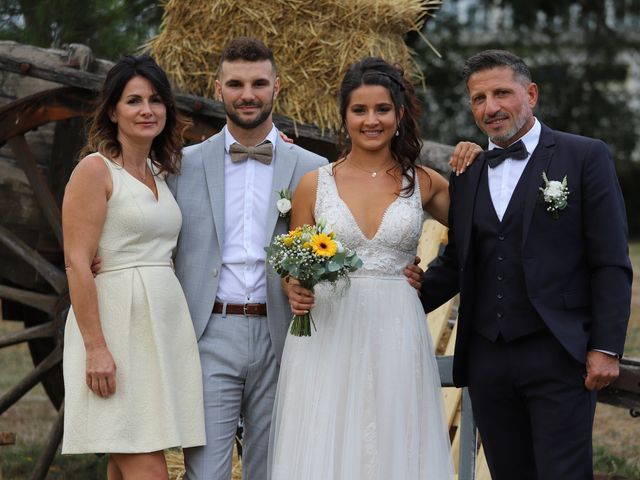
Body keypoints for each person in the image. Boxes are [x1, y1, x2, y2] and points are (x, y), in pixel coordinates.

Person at [420, 50, 632, 480]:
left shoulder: (584, 156)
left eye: (502, 93)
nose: (490, 107)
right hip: (486, 358)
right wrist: (391, 294)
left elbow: (609, 260)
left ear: (530, 94)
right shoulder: (468, 171)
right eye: (478, 98)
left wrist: (606, 348)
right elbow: (458, 260)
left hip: (558, 351)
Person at [270, 57, 461, 479]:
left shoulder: (423, 181)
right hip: (329, 333)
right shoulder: (314, 184)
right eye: (360, 110)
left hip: (397, 330)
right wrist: (293, 287)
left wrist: (478, 157)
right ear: (344, 116)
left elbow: (483, 232)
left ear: (400, 114)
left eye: (382, 109)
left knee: (395, 438)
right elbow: (295, 264)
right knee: (328, 439)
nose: (371, 120)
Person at [166, 37, 328, 480]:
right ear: (218, 89)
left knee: (275, 468)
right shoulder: (183, 165)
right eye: (235, 83)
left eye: (258, 83)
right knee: (206, 470)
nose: (248, 94)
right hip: (209, 332)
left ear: (277, 87)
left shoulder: (312, 168)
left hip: (285, 334)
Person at [62, 55, 205, 479]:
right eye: (134, 100)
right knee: (147, 465)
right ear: (113, 110)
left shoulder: (160, 174)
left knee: (126, 460)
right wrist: (96, 348)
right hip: (115, 332)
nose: (147, 110)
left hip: (157, 334)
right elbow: (76, 261)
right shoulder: (96, 170)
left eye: (156, 100)